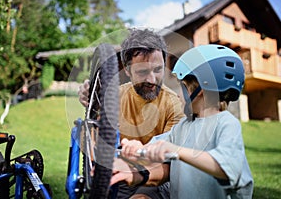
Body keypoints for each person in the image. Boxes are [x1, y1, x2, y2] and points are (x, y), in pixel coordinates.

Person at [110, 44, 254, 199]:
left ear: (202, 89)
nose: (178, 95)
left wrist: (177, 151)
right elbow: (157, 147)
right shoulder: (183, 127)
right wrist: (137, 149)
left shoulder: (226, 124)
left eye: (183, 87)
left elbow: (226, 167)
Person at [78, 28, 185, 198]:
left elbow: (168, 166)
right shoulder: (115, 96)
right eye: (142, 72)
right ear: (127, 71)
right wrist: (91, 98)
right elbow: (94, 137)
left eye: (157, 70)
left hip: (153, 177)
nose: (151, 80)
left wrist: (136, 170)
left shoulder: (174, 105)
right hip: (117, 171)